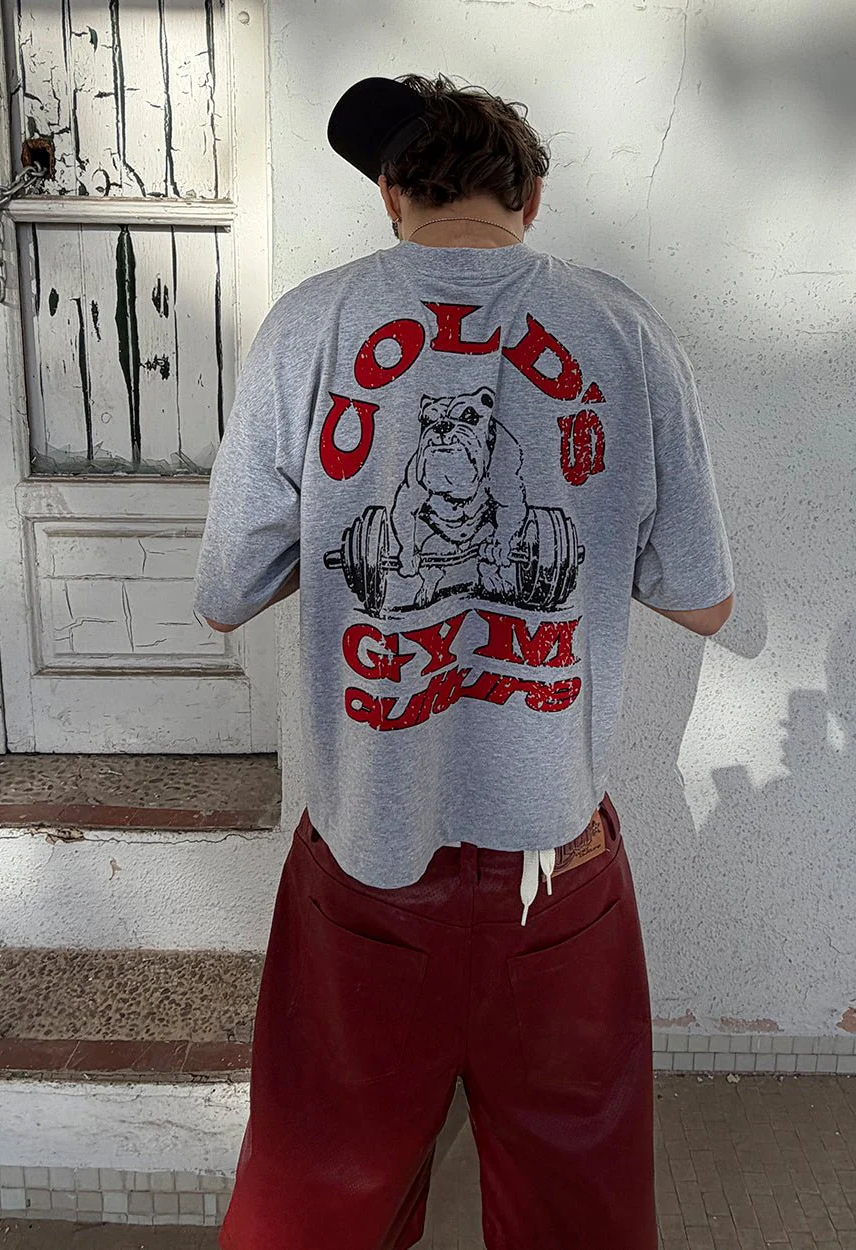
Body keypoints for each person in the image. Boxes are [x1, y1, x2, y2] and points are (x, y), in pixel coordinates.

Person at [193, 72, 734, 1250]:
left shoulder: (308, 326)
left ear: (392, 196)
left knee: (317, 1197)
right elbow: (703, 600)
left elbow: (226, 589)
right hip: (552, 864)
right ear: (529, 199)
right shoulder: (627, 332)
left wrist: (336, 546)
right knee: (578, 1209)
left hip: (366, 857)